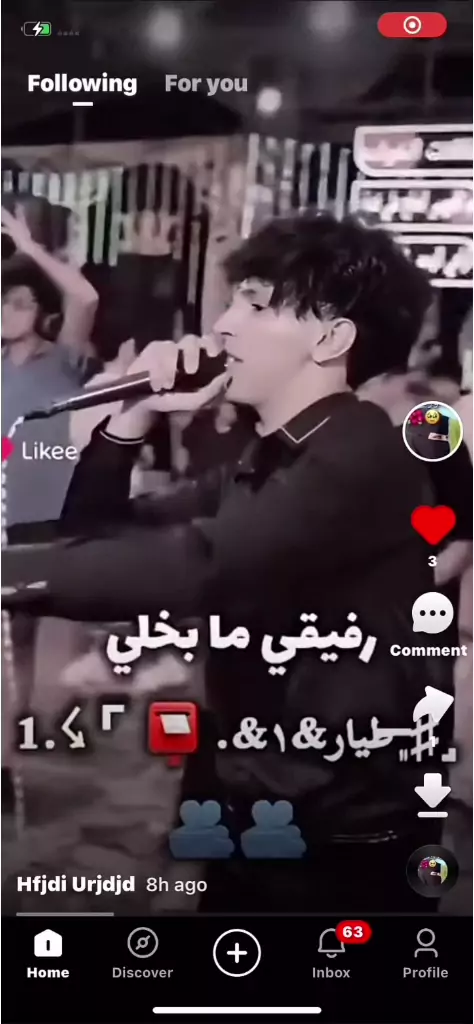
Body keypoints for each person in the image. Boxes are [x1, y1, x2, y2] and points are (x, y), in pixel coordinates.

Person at [3, 212, 452, 912]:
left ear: (332, 338)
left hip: (339, 832)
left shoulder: (362, 457)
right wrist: (135, 415)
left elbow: (200, 566)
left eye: (256, 306)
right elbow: (94, 535)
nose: (223, 327)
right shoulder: (269, 458)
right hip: (252, 800)